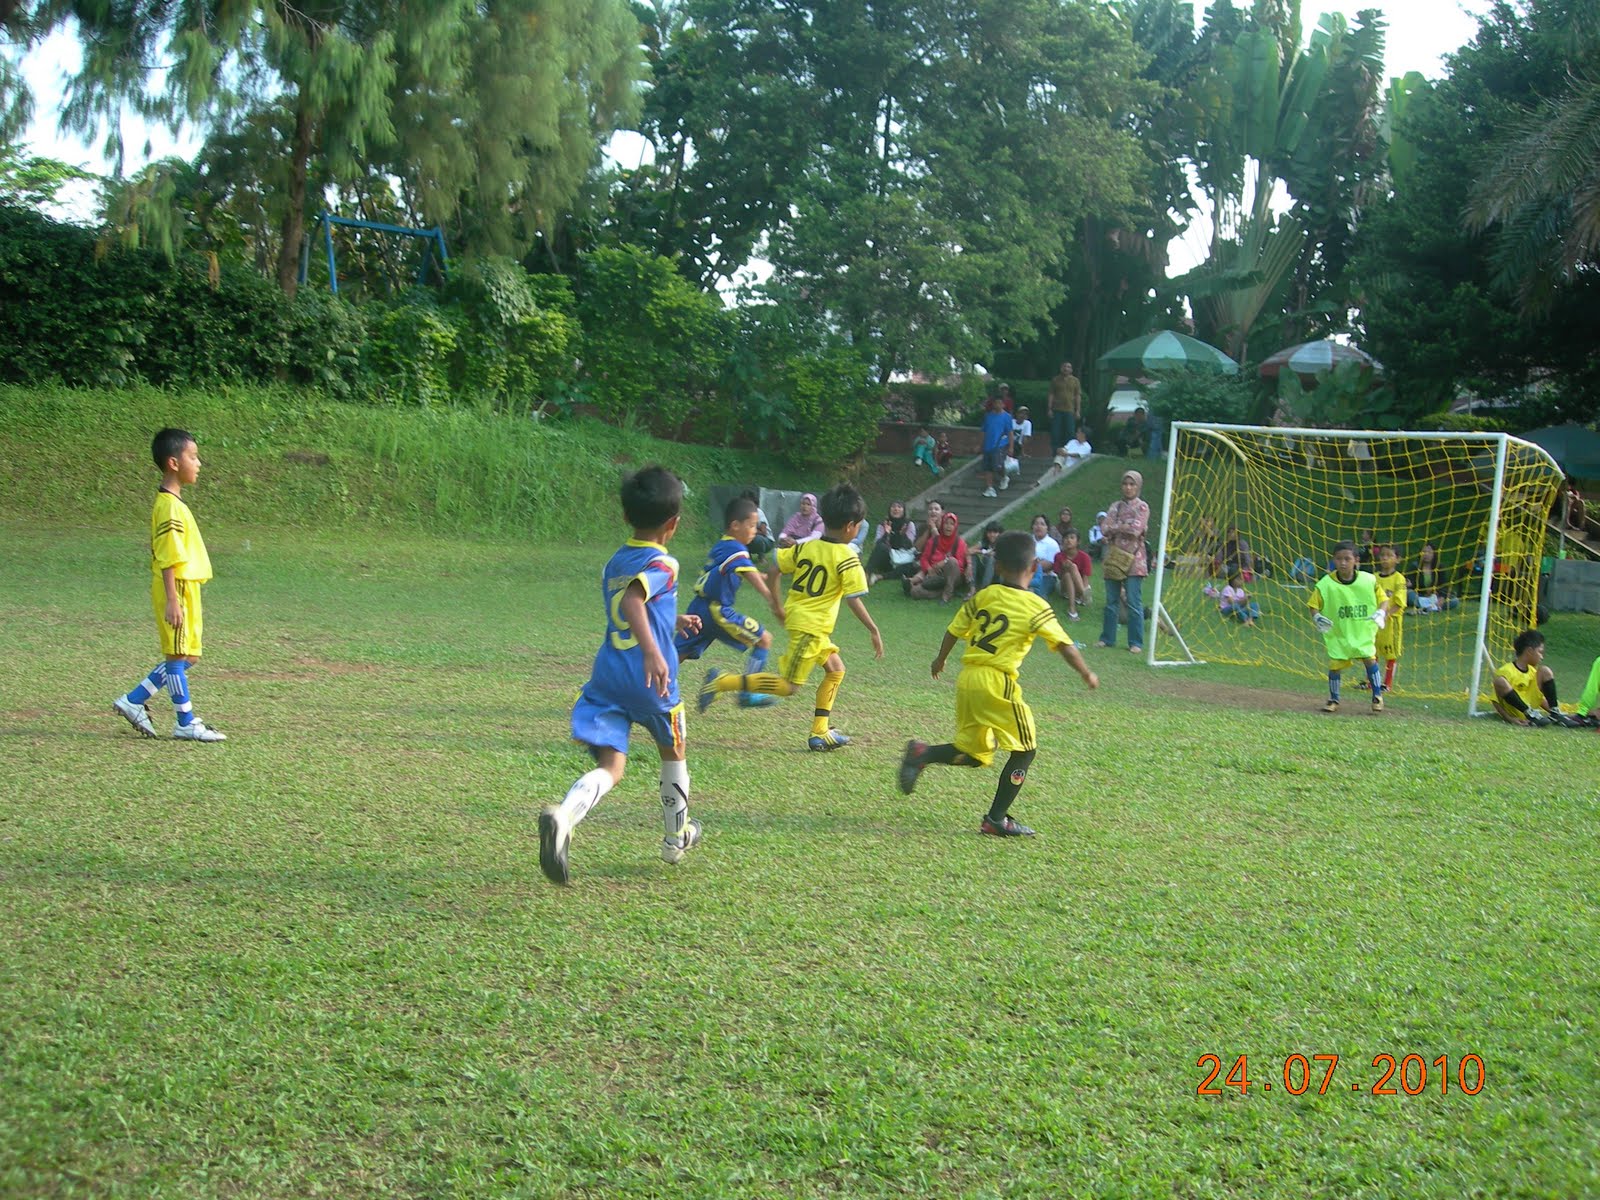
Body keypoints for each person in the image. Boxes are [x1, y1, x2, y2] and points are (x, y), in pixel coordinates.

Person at [541, 466, 705, 886]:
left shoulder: (614, 561)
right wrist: (655, 651)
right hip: (651, 683)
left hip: (609, 676)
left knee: (613, 766)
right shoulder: (664, 563)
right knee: (674, 751)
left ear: (627, 517)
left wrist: (670, 622)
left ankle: (564, 817)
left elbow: (629, 609)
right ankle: (676, 838)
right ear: (673, 524)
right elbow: (634, 602)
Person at [897, 530, 1099, 837]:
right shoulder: (1035, 605)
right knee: (1026, 749)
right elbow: (1064, 645)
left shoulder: (982, 597)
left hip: (968, 679)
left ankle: (922, 753)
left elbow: (954, 630)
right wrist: (1086, 673)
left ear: (998, 566)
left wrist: (940, 660)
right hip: (997, 682)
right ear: (1034, 567)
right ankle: (996, 819)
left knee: (976, 754)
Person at [700, 483, 884, 751]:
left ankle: (820, 732)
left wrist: (776, 604)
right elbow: (853, 598)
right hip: (810, 628)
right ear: (849, 526)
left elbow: (775, 571)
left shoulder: (805, 547)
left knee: (836, 669)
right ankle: (721, 682)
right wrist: (873, 629)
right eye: (859, 525)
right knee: (788, 686)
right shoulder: (848, 557)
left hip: (810, 626)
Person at [112, 427, 228, 742]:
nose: (199, 462)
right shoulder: (169, 507)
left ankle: (133, 700)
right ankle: (185, 722)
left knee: (188, 657)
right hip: (176, 587)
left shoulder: (174, 503)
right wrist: (171, 600)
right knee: (177, 658)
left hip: (185, 587)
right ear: (174, 463)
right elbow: (168, 556)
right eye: (193, 456)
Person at [675, 495, 784, 710]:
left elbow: (749, 573)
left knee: (676, 655)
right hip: (717, 610)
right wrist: (773, 602)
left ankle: (639, 685)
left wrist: (768, 577)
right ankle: (747, 693)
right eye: (752, 525)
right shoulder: (736, 549)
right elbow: (752, 577)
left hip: (699, 609)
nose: (755, 530)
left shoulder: (723, 546)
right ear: (735, 525)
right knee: (764, 640)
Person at [1308, 540, 1389, 715]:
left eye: (1347, 559)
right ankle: (1333, 699)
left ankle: (1377, 696)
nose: (1343, 563)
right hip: (1339, 633)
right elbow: (1313, 604)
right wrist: (1317, 617)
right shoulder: (1325, 584)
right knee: (1335, 665)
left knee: (1370, 659)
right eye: (1338, 559)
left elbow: (1384, 599)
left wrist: (1381, 612)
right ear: (1333, 560)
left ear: (1356, 560)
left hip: (1361, 630)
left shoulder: (1368, 580)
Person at [1097, 470, 1150, 653]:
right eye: (1125, 484)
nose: (1128, 488)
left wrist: (1116, 527)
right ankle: (1107, 638)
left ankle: (1136, 642)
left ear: (1138, 486)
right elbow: (1104, 528)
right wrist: (1122, 526)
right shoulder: (1115, 506)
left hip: (1135, 561)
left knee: (1134, 601)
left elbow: (1136, 530)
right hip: (1114, 558)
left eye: (1132, 484)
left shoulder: (1142, 507)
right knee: (1111, 600)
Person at [1491, 629, 1585, 726]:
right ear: (1529, 651)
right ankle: (1528, 713)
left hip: (1534, 712)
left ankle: (1555, 713)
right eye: (1540, 652)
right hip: (1518, 713)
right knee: (1500, 681)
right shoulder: (1506, 671)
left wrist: (1555, 711)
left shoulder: (1533, 672)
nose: (1542, 657)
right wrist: (1509, 719)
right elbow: (1495, 700)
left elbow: (1539, 698)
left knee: (1545, 670)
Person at [907, 511, 970, 602]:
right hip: (935, 576)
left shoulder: (960, 543)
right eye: (946, 523)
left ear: (955, 527)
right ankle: (942, 592)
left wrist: (944, 563)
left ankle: (947, 595)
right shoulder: (933, 541)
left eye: (951, 524)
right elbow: (924, 558)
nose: (948, 526)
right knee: (914, 592)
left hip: (953, 576)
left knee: (952, 561)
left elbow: (960, 564)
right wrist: (929, 569)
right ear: (942, 525)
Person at [1372, 543, 1407, 690]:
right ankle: (1371, 681)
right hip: (1375, 621)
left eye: (1389, 555)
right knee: (1372, 651)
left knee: (1390, 653)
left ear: (1397, 559)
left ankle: (1387, 684)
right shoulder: (1374, 578)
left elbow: (1400, 603)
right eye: (1382, 555)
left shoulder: (1399, 579)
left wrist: (1387, 614)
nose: (1385, 558)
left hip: (1391, 622)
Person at [866, 500, 918, 586]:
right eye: (893, 506)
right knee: (882, 546)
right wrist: (886, 533)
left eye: (899, 507)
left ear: (903, 510)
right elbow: (877, 545)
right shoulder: (883, 524)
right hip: (888, 559)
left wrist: (903, 535)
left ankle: (878, 576)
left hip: (903, 560)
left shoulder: (909, 524)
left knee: (911, 567)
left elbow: (910, 547)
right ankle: (867, 573)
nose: (896, 509)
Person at [978, 397, 1015, 499]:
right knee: (987, 467)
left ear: (1003, 404)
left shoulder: (1007, 417)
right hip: (988, 446)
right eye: (996, 403)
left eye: (1000, 403)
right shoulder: (988, 416)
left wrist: (1011, 447)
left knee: (998, 465)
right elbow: (983, 431)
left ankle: (1004, 477)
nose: (998, 405)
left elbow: (1010, 432)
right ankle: (990, 488)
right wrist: (980, 445)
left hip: (1000, 444)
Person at [1055, 528, 1092, 621]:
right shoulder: (1058, 556)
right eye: (1066, 538)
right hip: (1064, 587)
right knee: (1068, 573)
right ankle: (1083, 596)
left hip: (1081, 585)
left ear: (1077, 542)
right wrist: (1064, 568)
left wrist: (1084, 588)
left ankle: (1072, 610)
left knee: (1073, 567)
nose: (1068, 540)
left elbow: (1085, 577)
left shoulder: (1084, 557)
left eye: (1072, 538)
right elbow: (1059, 577)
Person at [1409, 541, 1457, 611]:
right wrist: (1425, 591)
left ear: (1434, 554)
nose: (1426, 554)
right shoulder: (1414, 566)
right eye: (1424, 552)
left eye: (1429, 552)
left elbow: (1444, 585)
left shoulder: (1439, 567)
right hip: (1420, 596)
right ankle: (1431, 607)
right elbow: (1411, 585)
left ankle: (1429, 607)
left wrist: (1441, 597)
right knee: (1409, 595)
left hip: (1435, 597)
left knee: (1454, 601)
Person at [1047, 361, 1080, 454]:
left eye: (1068, 367)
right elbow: (1051, 394)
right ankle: (1055, 453)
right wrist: (1049, 408)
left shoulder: (1075, 381)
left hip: (1070, 410)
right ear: (1061, 368)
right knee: (1055, 433)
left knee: (1070, 432)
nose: (1066, 368)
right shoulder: (1055, 380)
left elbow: (1077, 395)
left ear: (1071, 369)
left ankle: (1069, 451)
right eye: (1064, 366)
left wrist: (1077, 410)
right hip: (1057, 410)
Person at [1027, 513, 1061, 600]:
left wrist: (1031, 564)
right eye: (1036, 524)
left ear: (1047, 528)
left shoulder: (1052, 543)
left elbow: (1050, 565)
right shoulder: (1027, 541)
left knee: (1037, 594)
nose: (1038, 526)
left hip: (1046, 576)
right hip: (1026, 574)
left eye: (1042, 524)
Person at [968, 521, 1004, 592]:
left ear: (999, 533)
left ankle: (983, 590)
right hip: (985, 573)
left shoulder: (1003, 544)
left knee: (991, 559)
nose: (992, 535)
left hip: (998, 575)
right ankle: (972, 588)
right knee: (973, 557)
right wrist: (984, 552)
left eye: (995, 532)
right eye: (989, 532)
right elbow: (969, 551)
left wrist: (992, 555)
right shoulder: (985, 542)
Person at [742, 489, 774, 563]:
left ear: (755, 504)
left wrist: (750, 531)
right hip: (750, 538)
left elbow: (764, 532)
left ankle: (761, 557)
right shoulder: (742, 514)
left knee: (756, 538)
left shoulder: (758, 512)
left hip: (766, 541)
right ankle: (747, 557)